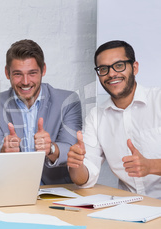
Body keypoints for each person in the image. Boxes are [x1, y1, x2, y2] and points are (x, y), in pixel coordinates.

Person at [67, 40, 161, 199]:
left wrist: (150, 166)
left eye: (119, 65)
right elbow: (84, 180)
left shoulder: (158, 100)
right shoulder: (96, 117)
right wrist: (76, 165)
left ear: (135, 67)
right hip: (130, 208)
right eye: (103, 69)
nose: (111, 74)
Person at [0, 39, 82, 185]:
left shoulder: (68, 101)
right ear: (7, 72)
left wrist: (51, 148)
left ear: (43, 70)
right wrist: (4, 150)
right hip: (12, 188)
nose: (25, 81)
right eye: (17, 74)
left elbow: (72, 149)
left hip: (57, 189)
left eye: (32, 73)